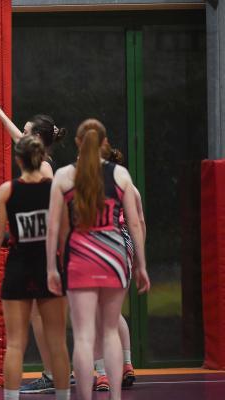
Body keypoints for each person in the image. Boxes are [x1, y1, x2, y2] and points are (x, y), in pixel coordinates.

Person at [46, 118, 150, 400]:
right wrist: (141, 265)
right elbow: (136, 223)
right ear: (105, 143)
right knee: (110, 331)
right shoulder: (121, 176)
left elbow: (53, 226)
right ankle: (115, 396)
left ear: (78, 143)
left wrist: (51, 268)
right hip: (115, 256)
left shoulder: (65, 176)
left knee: (82, 336)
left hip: (80, 255)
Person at [0, 90, 71, 394]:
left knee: (22, 339)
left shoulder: (37, 177)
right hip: (44, 263)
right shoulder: (45, 175)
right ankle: (54, 379)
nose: (21, 133)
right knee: (40, 326)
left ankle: (48, 374)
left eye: (26, 130)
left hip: (31, 261)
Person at [93, 144, 146, 391]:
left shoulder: (88, 185)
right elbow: (140, 224)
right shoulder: (128, 185)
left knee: (94, 315)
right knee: (113, 315)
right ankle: (126, 364)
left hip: (99, 246)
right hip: (123, 247)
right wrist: (138, 258)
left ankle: (102, 373)